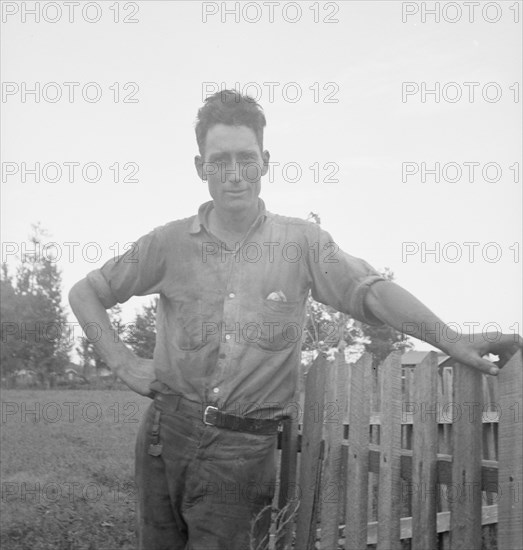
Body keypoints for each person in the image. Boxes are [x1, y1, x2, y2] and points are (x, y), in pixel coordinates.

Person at [68, 90, 521, 550]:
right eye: (219, 161)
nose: (234, 175)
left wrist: (451, 340)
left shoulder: (301, 243)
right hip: (165, 435)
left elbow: (373, 292)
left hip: (242, 452)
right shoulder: (167, 243)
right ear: (200, 167)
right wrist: (122, 362)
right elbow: (86, 293)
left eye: (245, 158)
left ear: (265, 161)